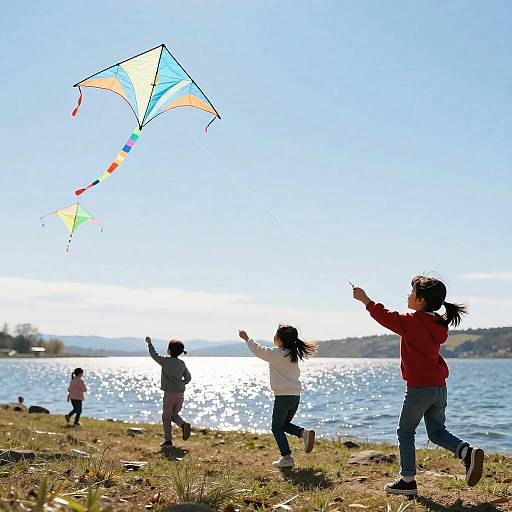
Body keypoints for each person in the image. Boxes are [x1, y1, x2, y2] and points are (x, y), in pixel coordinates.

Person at [352, 275, 484, 496]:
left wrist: (365, 300)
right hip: (439, 388)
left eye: (412, 293)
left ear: (421, 300)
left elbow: (385, 317)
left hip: (419, 389)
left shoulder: (413, 321)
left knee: (405, 432)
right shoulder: (438, 323)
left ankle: (408, 481)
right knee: (437, 432)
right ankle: (466, 452)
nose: (408, 295)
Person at [238, 325, 317, 468]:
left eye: (275, 335)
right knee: (284, 425)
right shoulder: (293, 355)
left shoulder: (276, 354)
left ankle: (286, 457)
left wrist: (247, 339)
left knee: (276, 428)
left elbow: (258, 350)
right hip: (295, 396)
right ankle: (302, 433)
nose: (273, 337)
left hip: (283, 397)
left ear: (280, 340)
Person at [145, 336, 192, 447]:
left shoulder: (165, 361)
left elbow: (154, 355)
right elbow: (188, 378)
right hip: (180, 394)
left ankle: (168, 441)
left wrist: (149, 343)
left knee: (166, 417)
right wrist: (181, 383)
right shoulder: (182, 363)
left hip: (169, 394)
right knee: (174, 415)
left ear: (169, 351)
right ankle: (183, 425)